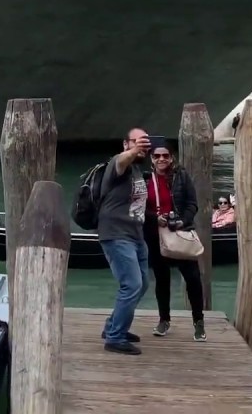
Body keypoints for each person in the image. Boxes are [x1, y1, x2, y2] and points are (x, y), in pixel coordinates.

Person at [144, 142, 207, 341]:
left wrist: (182, 221)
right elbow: (137, 208)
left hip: (180, 233)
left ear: (171, 158)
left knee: (193, 279)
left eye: (165, 156)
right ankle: (164, 320)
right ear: (151, 159)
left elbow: (192, 203)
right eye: (157, 156)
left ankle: (198, 322)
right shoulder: (145, 179)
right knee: (162, 280)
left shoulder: (181, 176)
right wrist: (155, 218)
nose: (161, 159)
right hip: (156, 237)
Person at [98, 128, 152, 355]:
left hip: (135, 235)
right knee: (131, 285)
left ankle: (114, 325)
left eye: (145, 141)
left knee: (142, 284)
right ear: (125, 144)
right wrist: (134, 150)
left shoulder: (137, 169)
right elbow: (121, 159)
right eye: (136, 141)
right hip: (116, 234)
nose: (142, 145)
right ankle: (115, 338)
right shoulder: (117, 165)